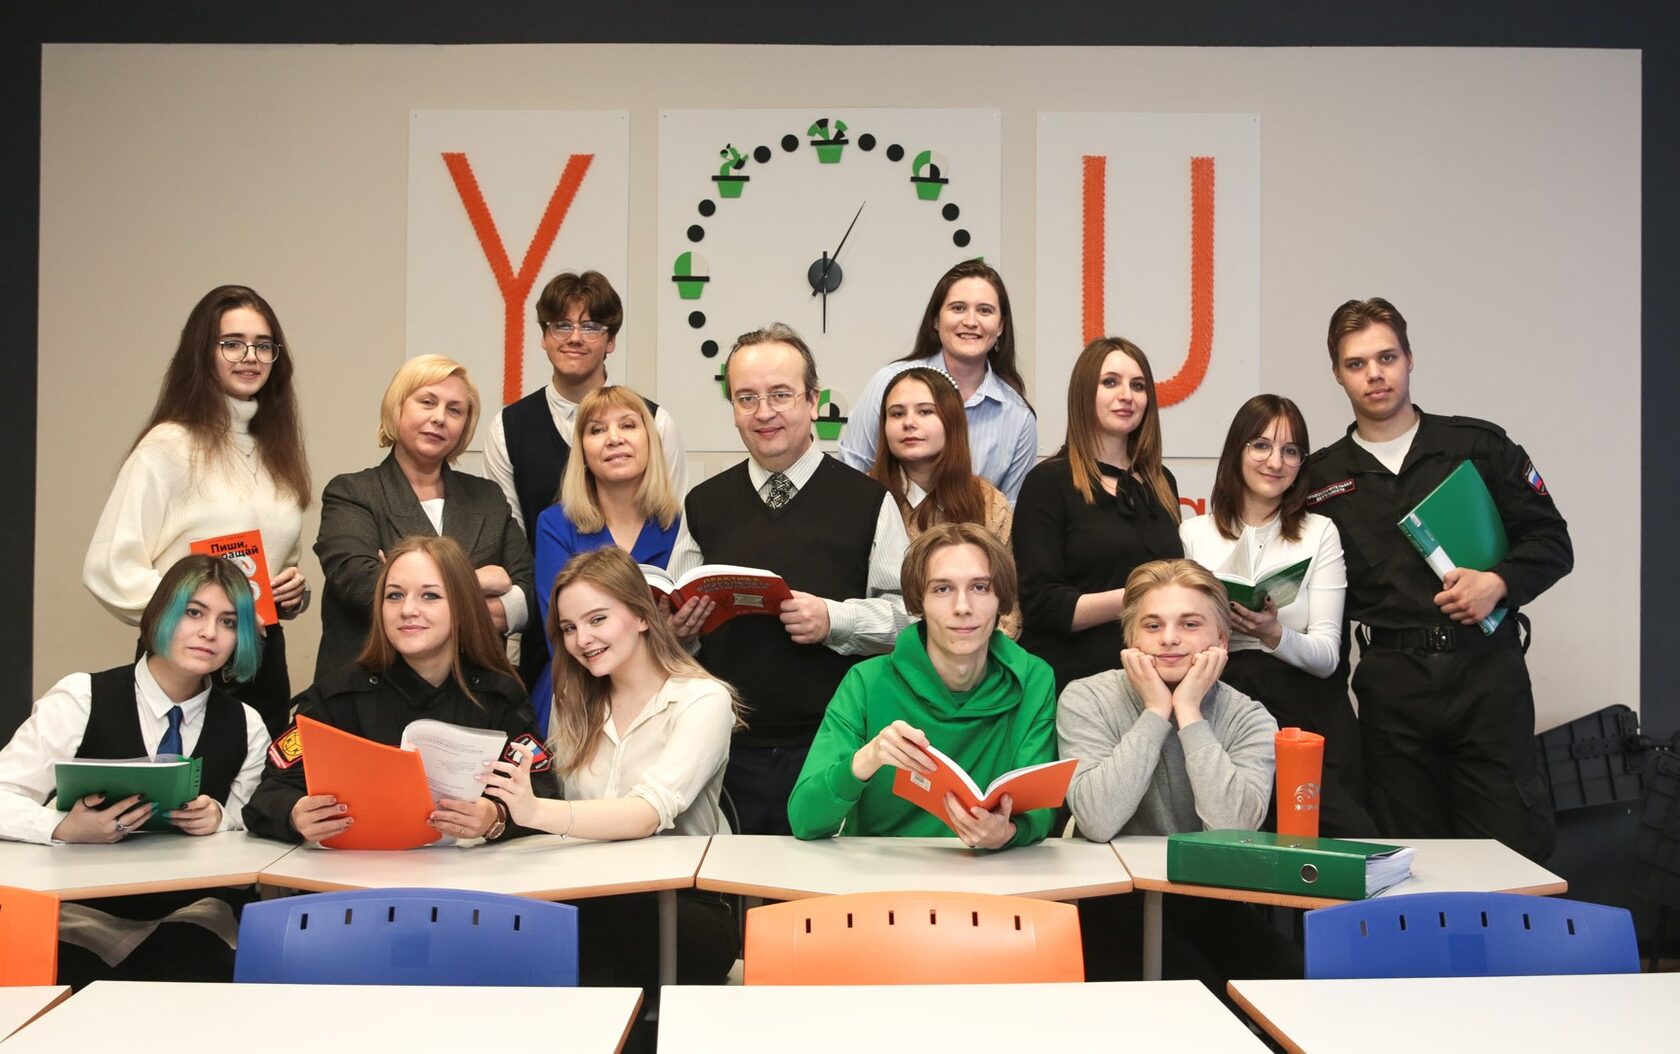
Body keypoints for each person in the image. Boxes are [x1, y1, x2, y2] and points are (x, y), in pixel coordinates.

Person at [1303, 297, 1571, 862]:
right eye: (1356, 364)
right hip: (1392, 686)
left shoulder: (1478, 447)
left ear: (1409, 359)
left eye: (1386, 357)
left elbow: (1552, 543)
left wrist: (1498, 583)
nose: (1375, 374)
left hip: (1486, 674)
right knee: (1407, 858)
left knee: (1508, 853)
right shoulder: (1319, 479)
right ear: (1337, 375)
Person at [668, 322, 911, 835]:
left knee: (822, 883)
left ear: (813, 401)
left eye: (781, 395)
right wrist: (679, 633)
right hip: (725, 748)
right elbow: (674, 615)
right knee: (728, 884)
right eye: (747, 398)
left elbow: (910, 620)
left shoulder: (868, 501)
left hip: (836, 746)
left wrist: (834, 620)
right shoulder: (704, 504)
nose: (764, 412)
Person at [0, 555, 272, 985]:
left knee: (192, 973)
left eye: (228, 622)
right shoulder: (82, 698)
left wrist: (221, 818)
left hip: (194, 915)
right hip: (82, 910)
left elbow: (253, 823)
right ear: (161, 613)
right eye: (194, 612)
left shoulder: (247, 724)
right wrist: (61, 827)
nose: (209, 632)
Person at [482, 546, 741, 987]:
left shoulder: (703, 699)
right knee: (511, 916)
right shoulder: (572, 699)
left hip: (681, 906)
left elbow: (646, 814)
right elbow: (562, 803)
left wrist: (537, 812)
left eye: (597, 619)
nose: (582, 639)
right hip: (588, 893)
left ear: (642, 616)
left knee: (579, 923)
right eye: (569, 628)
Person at [84, 285, 311, 737]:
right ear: (203, 353)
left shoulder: (277, 453)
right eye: (232, 343)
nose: (250, 357)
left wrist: (290, 593)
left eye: (263, 345)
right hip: (185, 663)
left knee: (258, 782)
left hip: (263, 662)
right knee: (176, 782)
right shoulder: (168, 447)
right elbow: (108, 568)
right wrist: (195, 616)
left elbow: (272, 563)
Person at [1056, 558, 1289, 983]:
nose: (1169, 638)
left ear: (1221, 638)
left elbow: (1232, 831)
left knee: (1290, 979)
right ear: (1130, 638)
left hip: (1210, 898)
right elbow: (1098, 820)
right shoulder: (1086, 698)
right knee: (1192, 993)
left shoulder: (1250, 717)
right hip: (1111, 900)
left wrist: (1189, 711)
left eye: (1189, 624)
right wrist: (1154, 711)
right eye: (1152, 625)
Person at [245, 535, 556, 844]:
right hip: (357, 868)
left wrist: (495, 816)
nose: (407, 609)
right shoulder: (336, 695)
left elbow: (543, 790)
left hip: (471, 870)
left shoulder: (499, 695)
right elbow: (267, 796)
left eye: (430, 596)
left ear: (463, 607)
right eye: (394, 595)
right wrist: (295, 815)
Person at [788, 523, 1055, 847]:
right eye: (942, 589)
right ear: (918, 602)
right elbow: (805, 819)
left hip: (992, 869)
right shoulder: (866, 682)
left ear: (1001, 598)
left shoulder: (1033, 678)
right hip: (883, 871)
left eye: (980, 587)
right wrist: (867, 759)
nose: (962, 607)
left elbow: (1040, 807)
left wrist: (1007, 833)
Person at [1179, 395, 1375, 836]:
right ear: (1238, 450)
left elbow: (1327, 656)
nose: (1275, 462)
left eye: (1290, 450)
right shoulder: (1193, 533)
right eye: (1261, 446)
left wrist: (1274, 634)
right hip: (1224, 701)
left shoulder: (1319, 532)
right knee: (1239, 841)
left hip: (1306, 707)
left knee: (1345, 836)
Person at [482, 271, 687, 688]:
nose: (575, 337)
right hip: (554, 653)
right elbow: (513, 549)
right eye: (562, 325)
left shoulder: (657, 422)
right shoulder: (507, 427)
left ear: (611, 341)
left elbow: (674, 525)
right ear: (544, 336)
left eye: (591, 326)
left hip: (659, 662)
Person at [314, 355, 533, 680]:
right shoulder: (352, 493)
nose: (439, 418)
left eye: (454, 410)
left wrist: (402, 584)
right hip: (372, 688)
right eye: (427, 402)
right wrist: (478, 583)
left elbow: (526, 593)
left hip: (472, 689)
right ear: (397, 407)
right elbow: (360, 584)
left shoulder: (487, 498)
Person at [1014, 336, 1183, 694]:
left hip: (1155, 679)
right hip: (1075, 680)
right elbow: (1043, 605)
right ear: (1083, 393)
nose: (1127, 395)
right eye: (1110, 382)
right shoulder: (1048, 482)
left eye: (1138, 386)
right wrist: (1143, 595)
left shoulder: (1161, 481)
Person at [529, 386, 682, 733]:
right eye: (597, 430)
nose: (614, 438)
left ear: (650, 441)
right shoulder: (555, 524)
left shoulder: (678, 524)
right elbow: (560, 634)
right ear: (582, 451)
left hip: (661, 692)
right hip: (577, 695)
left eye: (628, 425)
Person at [839, 260, 1037, 501]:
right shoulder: (888, 383)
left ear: (1001, 327)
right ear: (936, 320)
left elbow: (1011, 513)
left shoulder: (1019, 417)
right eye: (958, 308)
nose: (971, 321)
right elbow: (849, 479)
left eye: (985, 310)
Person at [867, 366, 1017, 637]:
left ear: (952, 421)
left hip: (976, 653)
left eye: (925, 412)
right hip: (884, 653)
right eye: (897, 413)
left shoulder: (989, 503)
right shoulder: (862, 496)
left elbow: (1008, 606)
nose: (909, 423)